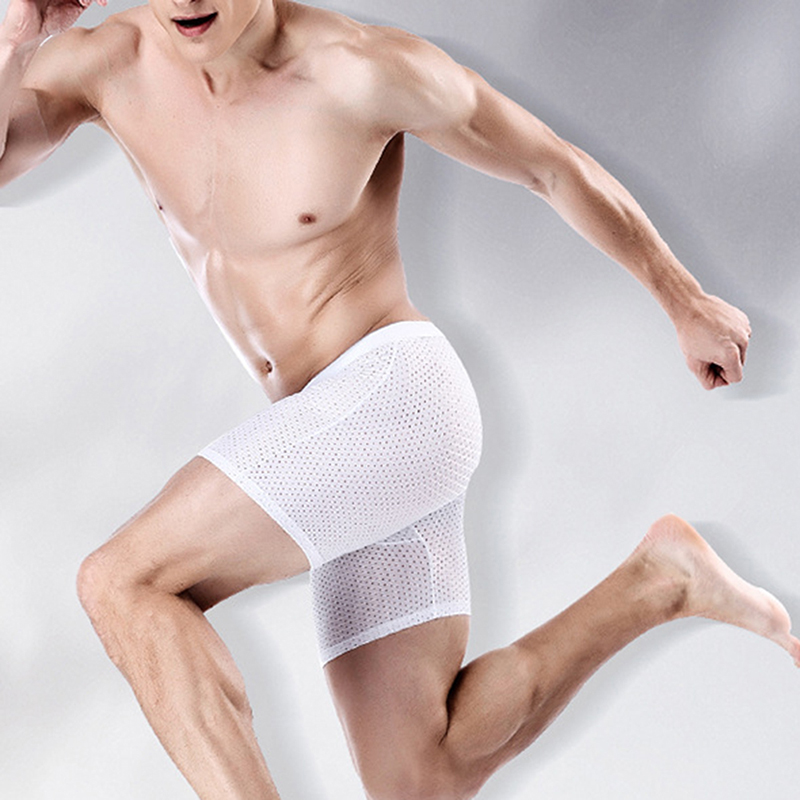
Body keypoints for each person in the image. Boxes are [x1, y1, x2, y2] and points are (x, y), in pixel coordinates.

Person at [2, 0, 797, 797]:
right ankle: (661, 581)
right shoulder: (110, 63)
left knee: (124, 581)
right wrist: (11, 38)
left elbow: (548, 164)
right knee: (420, 774)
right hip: (327, 439)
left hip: (396, 401)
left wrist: (684, 300)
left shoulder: (358, 69)